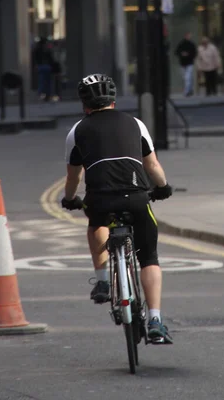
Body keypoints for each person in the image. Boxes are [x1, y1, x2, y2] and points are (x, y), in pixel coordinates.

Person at [61, 73, 173, 344]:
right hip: (136, 198)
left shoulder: (76, 131)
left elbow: (74, 177)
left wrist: (69, 199)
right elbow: (153, 166)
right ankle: (155, 320)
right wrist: (163, 187)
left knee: (95, 224)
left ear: (84, 103)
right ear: (113, 99)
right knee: (149, 257)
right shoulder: (136, 124)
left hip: (99, 200)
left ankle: (102, 280)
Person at [33, 37, 54, 101]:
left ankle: (43, 94)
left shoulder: (38, 50)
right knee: (45, 81)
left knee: (42, 81)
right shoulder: (46, 50)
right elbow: (50, 59)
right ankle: (46, 94)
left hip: (42, 66)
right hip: (45, 66)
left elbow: (35, 59)